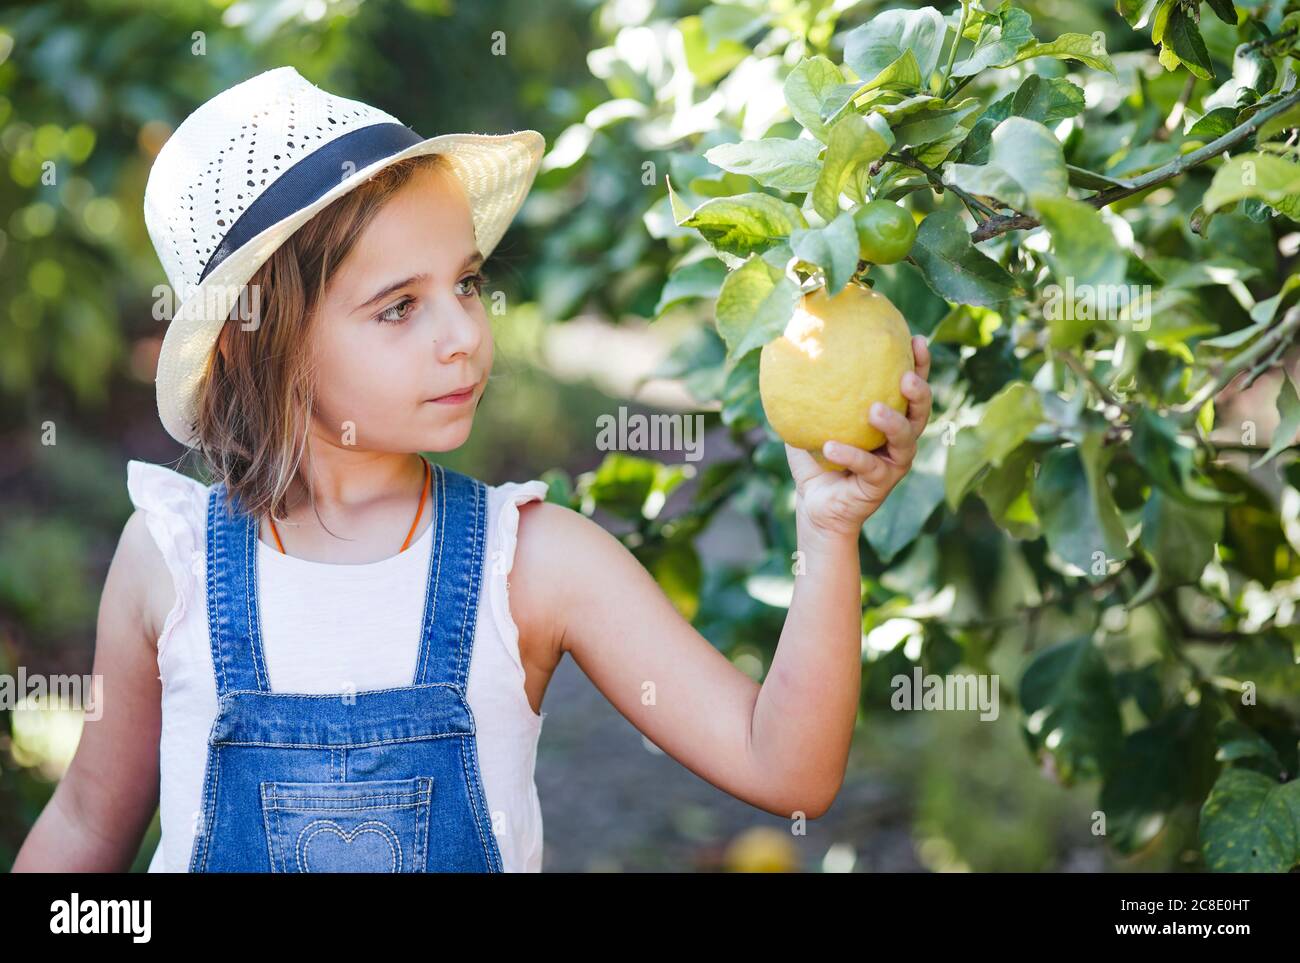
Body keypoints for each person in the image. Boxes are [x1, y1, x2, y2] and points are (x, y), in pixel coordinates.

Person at [13, 65, 932, 873]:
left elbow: (787, 767)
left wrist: (829, 527)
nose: (464, 335)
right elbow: (91, 821)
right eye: (397, 308)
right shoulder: (169, 561)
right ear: (266, 346)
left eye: (465, 283)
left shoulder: (532, 562)